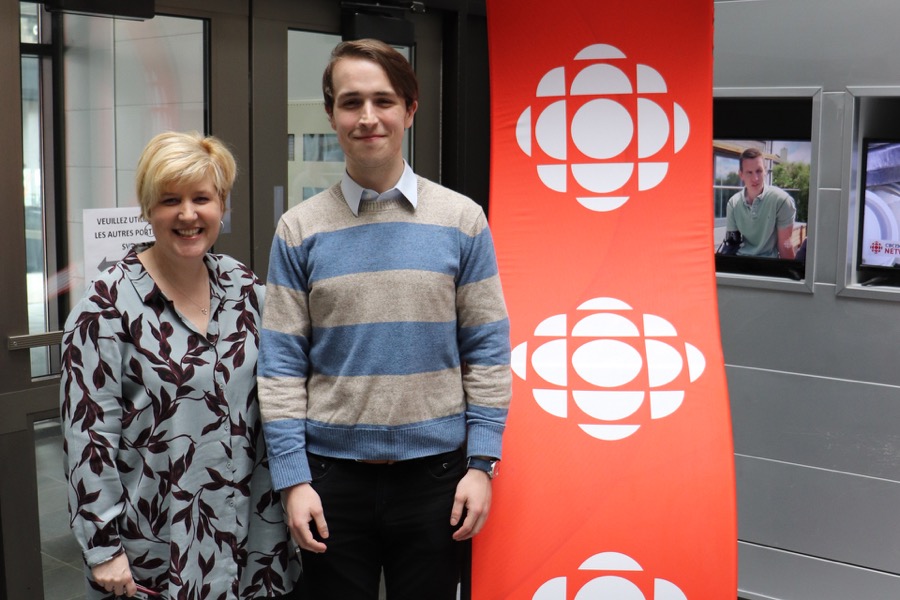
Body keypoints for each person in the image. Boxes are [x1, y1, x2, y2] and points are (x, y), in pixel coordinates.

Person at [258, 39, 511, 600]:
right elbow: (279, 367)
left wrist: (482, 464)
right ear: (331, 114)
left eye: (383, 100)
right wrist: (292, 479)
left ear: (409, 109)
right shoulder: (298, 229)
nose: (367, 117)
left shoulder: (463, 220)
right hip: (329, 482)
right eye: (351, 102)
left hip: (437, 481)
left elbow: (488, 350)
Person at [60, 131, 300, 599]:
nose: (188, 214)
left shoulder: (244, 287)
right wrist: (103, 549)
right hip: (156, 551)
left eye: (201, 198)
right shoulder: (105, 306)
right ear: (148, 208)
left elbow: (282, 389)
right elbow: (88, 438)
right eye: (170, 200)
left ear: (222, 205)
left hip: (251, 543)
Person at [722, 147, 797, 258]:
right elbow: (732, 244)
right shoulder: (733, 203)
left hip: (768, 266)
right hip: (740, 263)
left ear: (765, 171)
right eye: (749, 172)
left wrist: (793, 273)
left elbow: (785, 245)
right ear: (741, 174)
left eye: (759, 171)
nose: (755, 178)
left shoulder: (782, 200)